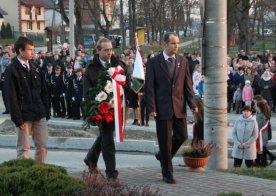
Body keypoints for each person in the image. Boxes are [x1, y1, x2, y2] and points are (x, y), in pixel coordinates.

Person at [146, 32, 197, 184]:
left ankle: (163, 156)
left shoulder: (183, 61)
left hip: (179, 107)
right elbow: (150, 87)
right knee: (165, 141)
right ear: (165, 44)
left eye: (178, 43)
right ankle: (167, 173)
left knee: (182, 136)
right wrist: (151, 107)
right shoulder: (154, 62)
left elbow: (187, 85)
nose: (177, 46)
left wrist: (192, 104)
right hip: (162, 108)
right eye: (173, 43)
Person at [83, 38, 131, 183]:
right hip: (101, 111)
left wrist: (124, 83)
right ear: (98, 50)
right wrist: (94, 110)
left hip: (118, 109)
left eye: (111, 49)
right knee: (108, 140)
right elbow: (87, 93)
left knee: (105, 137)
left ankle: (90, 158)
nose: (110, 52)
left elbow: (127, 85)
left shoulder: (119, 64)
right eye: (106, 50)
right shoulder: (91, 69)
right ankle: (112, 174)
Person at [4, 37, 50, 163]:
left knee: (43, 146)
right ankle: (26, 178)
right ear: (20, 50)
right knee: (23, 150)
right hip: (23, 116)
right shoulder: (11, 70)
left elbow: (44, 91)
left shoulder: (35, 67)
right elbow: (10, 97)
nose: (32, 52)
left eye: (33, 49)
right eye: (30, 50)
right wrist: (17, 119)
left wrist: (46, 111)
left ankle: (40, 173)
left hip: (39, 114)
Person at [255, 100, 275, 167]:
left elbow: (258, 126)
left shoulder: (261, 115)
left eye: (256, 106)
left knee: (261, 149)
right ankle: (269, 158)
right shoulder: (262, 113)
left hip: (262, 135)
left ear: (259, 107)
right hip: (263, 135)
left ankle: (262, 163)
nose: (255, 107)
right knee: (262, 149)